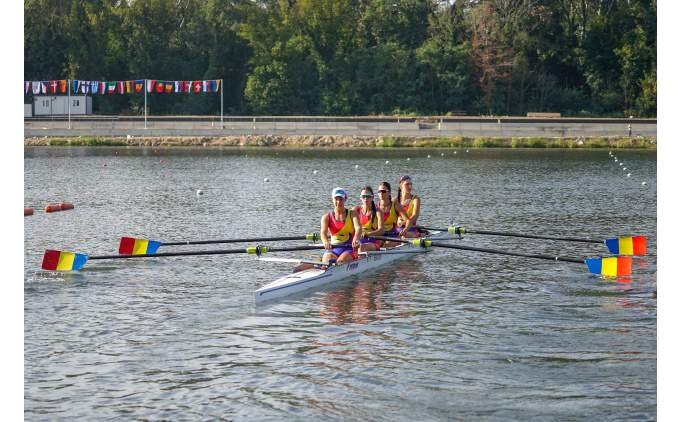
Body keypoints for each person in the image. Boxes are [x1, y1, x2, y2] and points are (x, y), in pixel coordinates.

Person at [320, 187, 361, 265]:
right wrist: (325, 242)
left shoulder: (352, 214)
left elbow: (358, 228)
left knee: (340, 262)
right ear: (332, 199)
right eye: (336, 199)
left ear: (345, 199)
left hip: (350, 248)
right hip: (334, 249)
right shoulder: (326, 217)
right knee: (326, 262)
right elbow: (323, 233)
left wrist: (356, 239)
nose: (338, 202)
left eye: (341, 199)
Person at [376, 181, 411, 248]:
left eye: (383, 191)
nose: (381, 193)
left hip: (393, 235)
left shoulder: (395, 205)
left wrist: (405, 229)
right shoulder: (375, 207)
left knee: (385, 245)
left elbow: (408, 220)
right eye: (379, 191)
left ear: (389, 193)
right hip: (379, 235)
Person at [354, 186, 384, 253]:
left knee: (361, 247)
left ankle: (359, 262)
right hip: (359, 239)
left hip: (373, 241)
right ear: (360, 198)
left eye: (368, 196)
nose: (365, 199)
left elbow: (381, 231)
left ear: (372, 197)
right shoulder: (356, 210)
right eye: (363, 196)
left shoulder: (378, 212)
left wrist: (368, 234)